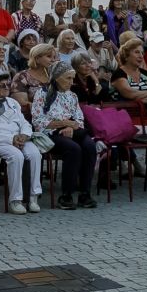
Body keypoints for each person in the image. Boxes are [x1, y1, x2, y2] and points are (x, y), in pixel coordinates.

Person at [0, 65, 43, 214]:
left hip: (18, 139)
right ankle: (15, 200)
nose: (7, 88)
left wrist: (24, 135)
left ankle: (33, 196)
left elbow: (24, 123)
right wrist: (10, 139)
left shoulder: (12, 103)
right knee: (16, 156)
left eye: (7, 84)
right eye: (2, 85)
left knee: (35, 153)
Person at [33, 63, 97, 209]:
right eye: (68, 78)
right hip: (50, 133)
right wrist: (62, 123)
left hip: (72, 130)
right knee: (73, 149)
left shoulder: (72, 95)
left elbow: (79, 118)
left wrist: (70, 126)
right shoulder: (42, 94)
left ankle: (85, 193)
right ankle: (66, 195)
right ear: (56, 78)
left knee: (89, 146)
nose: (71, 82)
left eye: (72, 78)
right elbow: (38, 121)